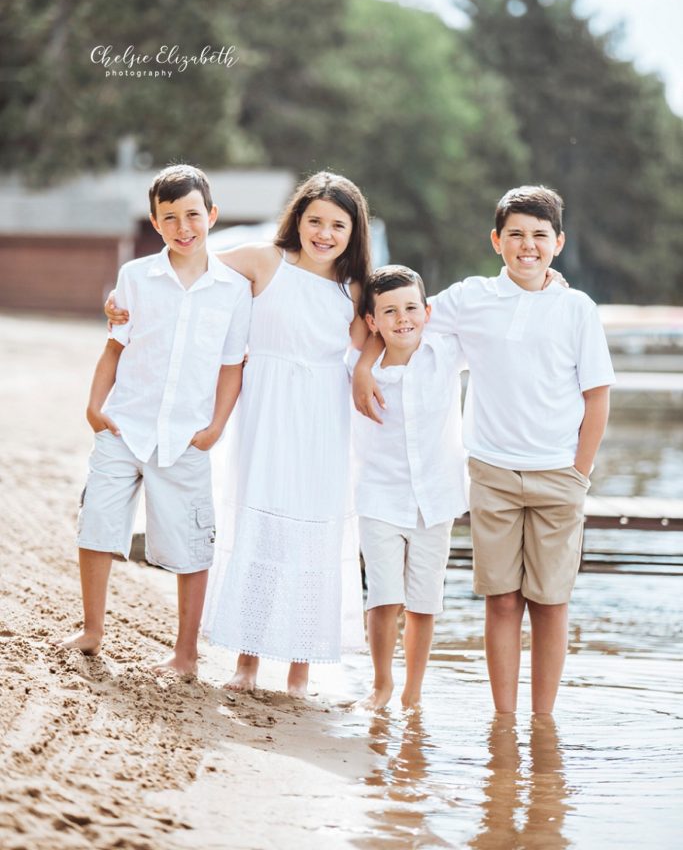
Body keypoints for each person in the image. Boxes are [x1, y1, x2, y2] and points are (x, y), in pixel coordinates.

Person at [106, 171, 371, 696]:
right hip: (266, 408)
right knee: (259, 520)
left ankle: (301, 669)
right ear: (297, 219)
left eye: (336, 225)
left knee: (313, 531)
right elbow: (185, 274)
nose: (323, 233)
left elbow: (382, 340)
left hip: (323, 415)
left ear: (352, 230)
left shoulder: (356, 287)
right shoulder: (261, 260)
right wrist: (120, 302)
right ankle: (246, 663)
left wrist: (364, 372)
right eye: (314, 220)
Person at [354, 186, 615, 714]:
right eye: (515, 234)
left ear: (558, 243)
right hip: (491, 472)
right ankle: (504, 721)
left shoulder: (576, 308)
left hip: (558, 473)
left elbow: (597, 396)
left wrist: (579, 472)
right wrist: (364, 364)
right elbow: (403, 319)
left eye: (540, 236)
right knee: (500, 600)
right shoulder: (470, 298)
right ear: (496, 240)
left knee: (551, 602)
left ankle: (542, 722)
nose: (528, 245)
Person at [61, 165, 252, 676]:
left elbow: (232, 368)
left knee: (192, 544)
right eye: (170, 218)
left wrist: (213, 430)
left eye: (193, 214)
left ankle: (186, 655)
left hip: (186, 436)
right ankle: (92, 629)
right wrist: (94, 407)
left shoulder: (233, 289)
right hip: (125, 424)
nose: (183, 227)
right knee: (97, 523)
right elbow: (113, 349)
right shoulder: (135, 277)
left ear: (211, 215)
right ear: (155, 221)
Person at [349, 265, 466, 710]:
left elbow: (485, 318)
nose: (404, 319)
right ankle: (381, 684)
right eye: (390, 312)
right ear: (373, 322)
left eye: (412, 308)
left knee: (423, 601)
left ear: (427, 311)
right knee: (384, 595)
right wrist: (364, 359)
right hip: (380, 495)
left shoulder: (445, 352)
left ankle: (413, 693)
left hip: (436, 498)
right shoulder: (357, 367)